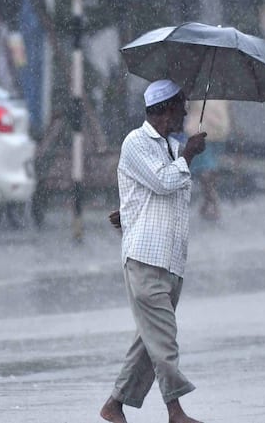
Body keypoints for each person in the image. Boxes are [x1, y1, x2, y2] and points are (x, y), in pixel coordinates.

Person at [101, 79, 207, 423]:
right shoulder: (137, 142)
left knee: (148, 342)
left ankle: (114, 405)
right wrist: (188, 155)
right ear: (164, 111)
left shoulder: (168, 147)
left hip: (171, 259)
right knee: (163, 338)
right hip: (146, 258)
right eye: (182, 107)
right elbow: (164, 182)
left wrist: (182, 154)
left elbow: (152, 197)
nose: (187, 113)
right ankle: (175, 410)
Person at [184, 100, 230, 221]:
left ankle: (210, 201)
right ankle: (211, 201)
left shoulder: (201, 88)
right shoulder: (221, 88)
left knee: (208, 168)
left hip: (209, 131)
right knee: (210, 167)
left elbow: (186, 108)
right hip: (213, 130)